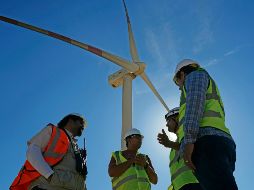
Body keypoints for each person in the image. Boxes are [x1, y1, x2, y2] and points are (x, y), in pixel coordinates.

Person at [173, 59, 238, 190]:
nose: (179, 87)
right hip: (218, 141)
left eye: (177, 82)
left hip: (206, 141)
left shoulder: (195, 76)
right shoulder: (209, 83)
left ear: (182, 74)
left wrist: (189, 141)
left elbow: (195, 104)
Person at [10, 113, 88, 190]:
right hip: (47, 186)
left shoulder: (76, 148)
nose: (82, 126)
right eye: (80, 123)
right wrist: (50, 175)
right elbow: (32, 151)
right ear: (71, 120)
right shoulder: (53, 131)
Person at [158, 107, 203, 190]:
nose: (166, 124)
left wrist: (170, 144)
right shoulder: (174, 146)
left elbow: (192, 149)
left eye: (168, 120)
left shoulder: (191, 134)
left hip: (195, 184)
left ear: (177, 118)